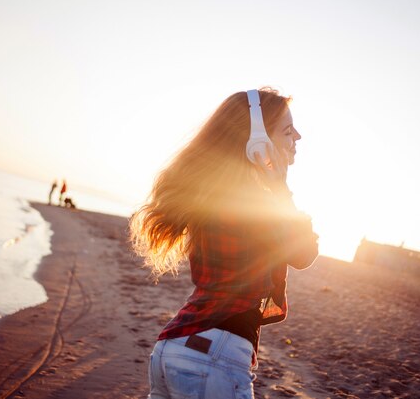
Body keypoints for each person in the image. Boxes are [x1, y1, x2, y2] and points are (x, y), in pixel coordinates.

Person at [129, 88, 319, 399]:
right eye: (287, 130)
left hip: (173, 347)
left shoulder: (217, 193)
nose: (298, 136)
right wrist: (281, 188)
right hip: (212, 357)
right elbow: (302, 253)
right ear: (258, 141)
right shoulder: (255, 200)